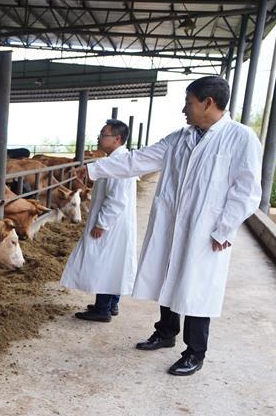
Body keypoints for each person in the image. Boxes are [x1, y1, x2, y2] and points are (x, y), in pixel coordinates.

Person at [72, 76, 261, 376]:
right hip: (174, 222)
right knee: (169, 276)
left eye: (188, 103)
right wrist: (94, 168)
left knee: (197, 290)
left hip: (207, 230)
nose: (184, 109)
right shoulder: (180, 138)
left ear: (208, 103)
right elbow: (137, 160)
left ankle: (195, 352)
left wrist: (224, 228)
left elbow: (246, 191)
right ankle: (166, 332)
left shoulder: (240, 137)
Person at [60, 119, 137, 322]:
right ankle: (111, 304)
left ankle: (102, 309)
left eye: (103, 134)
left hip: (111, 223)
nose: (99, 138)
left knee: (104, 262)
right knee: (114, 262)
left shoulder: (119, 164)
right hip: (117, 223)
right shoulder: (116, 160)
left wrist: (101, 224)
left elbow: (116, 199)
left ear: (116, 139)